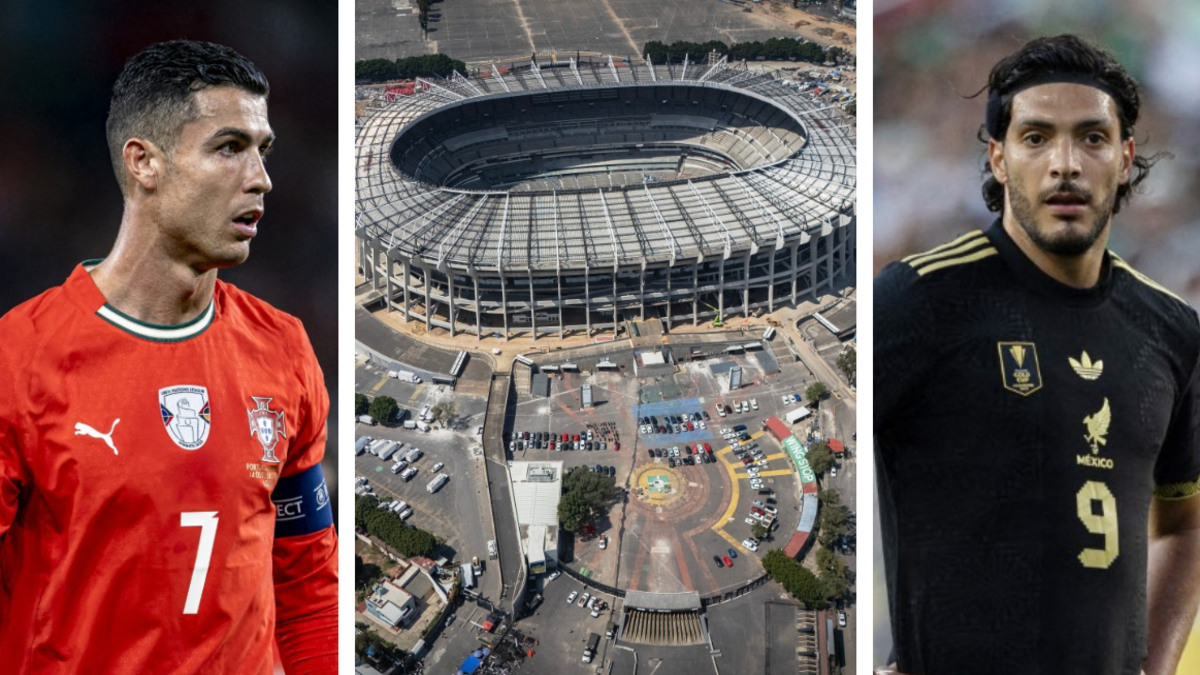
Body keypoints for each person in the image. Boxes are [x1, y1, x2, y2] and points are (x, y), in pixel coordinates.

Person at [0, 40, 337, 672]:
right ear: (145, 163)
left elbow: (307, 586)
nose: (261, 178)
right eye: (230, 147)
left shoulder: (285, 349)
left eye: (263, 151)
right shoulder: (19, 358)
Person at [874, 34, 1200, 675]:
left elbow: (1184, 522)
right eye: (1036, 138)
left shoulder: (1171, 329)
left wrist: (1154, 665)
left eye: (1092, 138)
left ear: (1127, 157)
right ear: (997, 158)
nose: (1066, 164)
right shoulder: (923, 297)